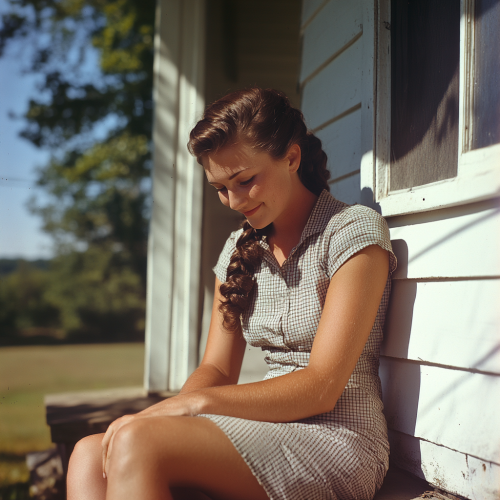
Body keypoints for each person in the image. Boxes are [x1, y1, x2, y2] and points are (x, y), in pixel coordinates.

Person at [67, 88, 396, 500]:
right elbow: (217, 370)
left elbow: (321, 386)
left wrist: (191, 407)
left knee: (137, 442)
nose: (234, 201)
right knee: (87, 454)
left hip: (340, 439)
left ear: (291, 158)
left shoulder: (351, 231)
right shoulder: (238, 249)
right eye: (220, 188)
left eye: (245, 180)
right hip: (260, 430)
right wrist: (169, 416)